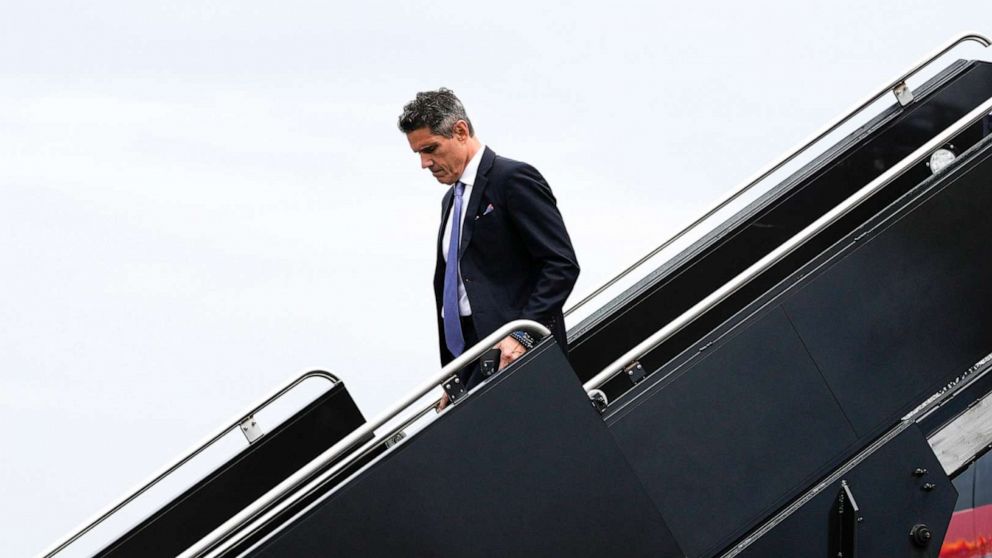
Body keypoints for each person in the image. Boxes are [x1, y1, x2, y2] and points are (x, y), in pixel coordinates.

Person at [397, 88, 580, 410]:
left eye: (430, 149)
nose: (425, 163)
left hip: (516, 352)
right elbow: (464, 288)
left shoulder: (512, 178)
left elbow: (560, 264)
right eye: (419, 154)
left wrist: (523, 335)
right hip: (472, 355)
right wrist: (459, 374)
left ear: (460, 131)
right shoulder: (451, 200)